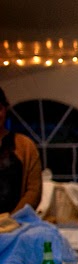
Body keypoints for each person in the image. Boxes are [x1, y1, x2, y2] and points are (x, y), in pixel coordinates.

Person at [0, 87, 43, 215]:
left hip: (17, 221)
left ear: (5, 109)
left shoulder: (25, 145)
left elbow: (34, 190)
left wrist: (12, 219)